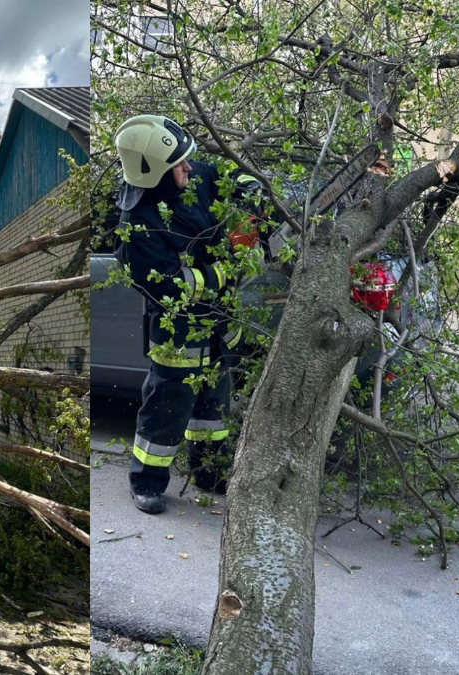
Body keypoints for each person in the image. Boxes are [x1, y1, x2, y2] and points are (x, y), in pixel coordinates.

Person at [112, 114, 262, 514]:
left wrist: (247, 187)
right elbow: (170, 285)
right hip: (178, 334)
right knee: (166, 407)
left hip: (216, 324)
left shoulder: (190, 176)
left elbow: (222, 172)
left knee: (214, 408)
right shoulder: (137, 228)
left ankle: (210, 473)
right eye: (179, 165)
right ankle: (145, 482)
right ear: (158, 175)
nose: (189, 168)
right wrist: (226, 268)